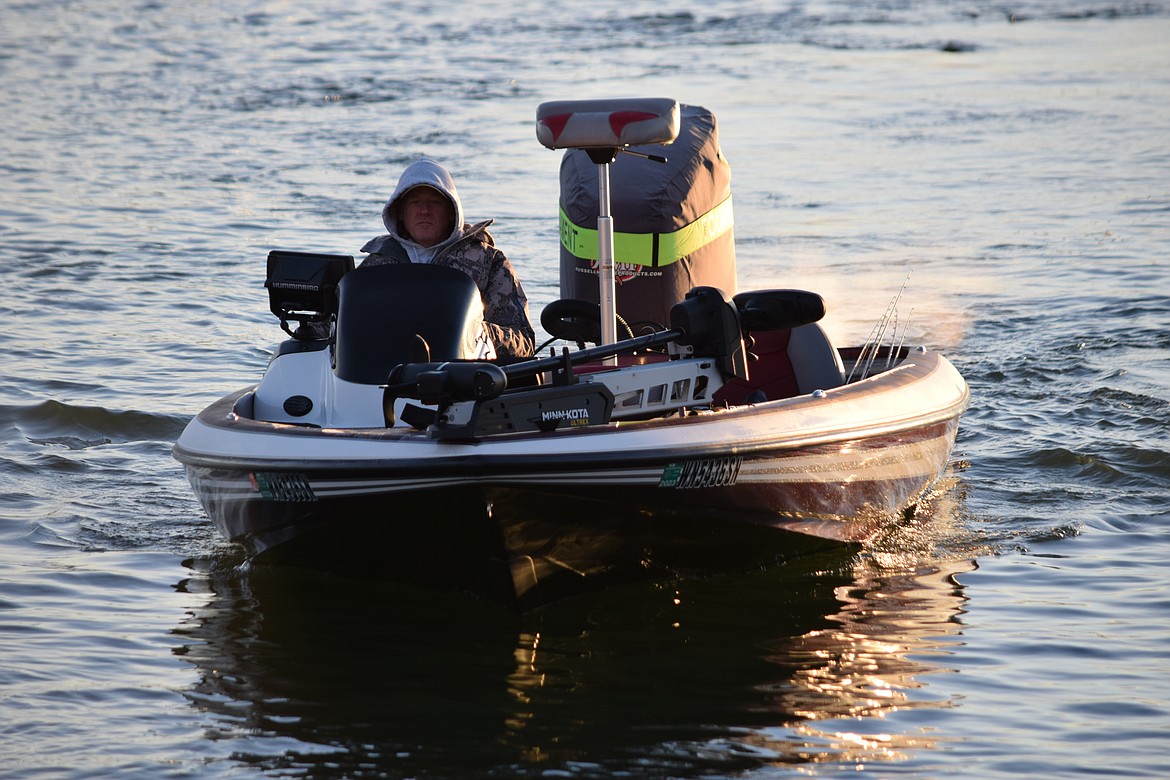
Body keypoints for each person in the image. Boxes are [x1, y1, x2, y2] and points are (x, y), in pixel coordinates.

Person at [359, 158, 535, 358]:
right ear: (400, 213)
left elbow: (523, 342)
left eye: (434, 202)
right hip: (382, 378)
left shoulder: (490, 263)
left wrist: (474, 331)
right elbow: (343, 328)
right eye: (415, 202)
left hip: (466, 380)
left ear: (452, 212)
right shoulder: (375, 266)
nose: (424, 211)